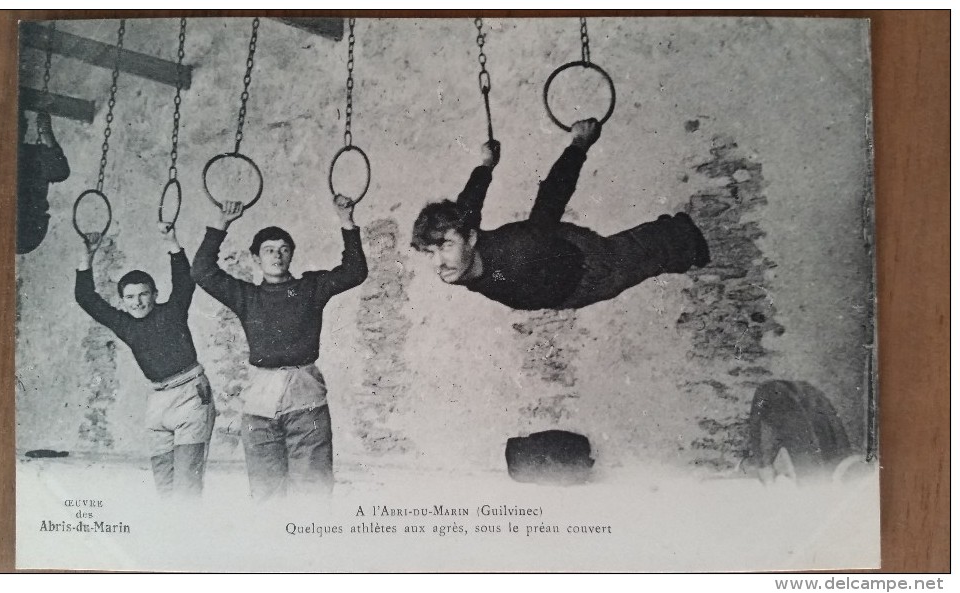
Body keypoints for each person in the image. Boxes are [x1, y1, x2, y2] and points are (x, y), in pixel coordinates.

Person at [410, 118, 711, 310]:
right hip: (549, 263)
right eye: (430, 251)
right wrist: (487, 164)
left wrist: (579, 145)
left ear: (471, 237)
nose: (438, 263)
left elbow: (551, 198)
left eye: (446, 246)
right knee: (644, 249)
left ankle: (686, 239)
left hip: (585, 269)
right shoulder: (466, 248)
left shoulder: (517, 254)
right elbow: (468, 203)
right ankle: (664, 238)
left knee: (656, 248)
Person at [191, 195, 368, 500]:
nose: (277, 255)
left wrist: (346, 221)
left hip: (305, 396)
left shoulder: (311, 288)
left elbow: (354, 272)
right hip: (260, 400)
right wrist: (222, 223)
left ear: (291, 256)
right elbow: (202, 272)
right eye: (269, 250)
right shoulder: (245, 295)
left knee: (312, 492)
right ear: (256, 259)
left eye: (284, 250)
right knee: (265, 494)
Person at [74, 224, 215, 497]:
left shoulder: (172, 311)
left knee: (187, 483)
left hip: (191, 395)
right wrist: (87, 255)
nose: (137, 302)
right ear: (123, 301)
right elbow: (86, 298)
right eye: (130, 297)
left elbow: (184, 281)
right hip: (158, 401)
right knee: (164, 482)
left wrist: (171, 240)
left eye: (143, 294)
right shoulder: (124, 324)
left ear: (154, 295)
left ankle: (193, 535)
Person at [18, 111, 70, 254]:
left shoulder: (33, 154)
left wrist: (46, 133)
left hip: (30, 227)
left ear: (24, 127)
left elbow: (61, 172)